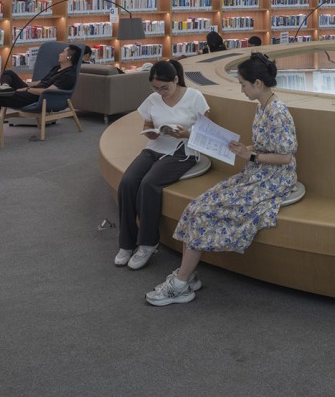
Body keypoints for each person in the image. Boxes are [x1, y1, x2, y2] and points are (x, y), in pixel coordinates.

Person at [146, 52, 298, 306]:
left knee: (203, 212)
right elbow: (267, 146)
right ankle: (186, 276)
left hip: (274, 179)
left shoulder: (278, 112)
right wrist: (244, 149)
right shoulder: (263, 107)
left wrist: (250, 156)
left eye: (243, 84)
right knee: (196, 206)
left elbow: (285, 158)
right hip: (257, 172)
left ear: (257, 83)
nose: (241, 90)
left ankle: (181, 283)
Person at [114, 59, 209, 270]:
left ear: (175, 79)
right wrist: (150, 132)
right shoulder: (153, 99)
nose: (160, 92)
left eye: (164, 88)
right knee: (127, 182)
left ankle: (148, 243)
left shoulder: (194, 97)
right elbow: (148, 124)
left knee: (149, 184)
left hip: (183, 151)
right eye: (156, 88)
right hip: (155, 147)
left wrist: (187, 133)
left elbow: (207, 130)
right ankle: (126, 242)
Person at [0, 43, 81, 146]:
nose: (60, 54)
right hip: (32, 90)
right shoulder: (57, 68)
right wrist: (25, 84)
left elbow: (47, 91)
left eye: (63, 52)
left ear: (69, 57)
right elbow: (41, 82)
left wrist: (27, 89)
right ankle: (5, 87)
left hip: (37, 97)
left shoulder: (68, 75)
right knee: (8, 73)